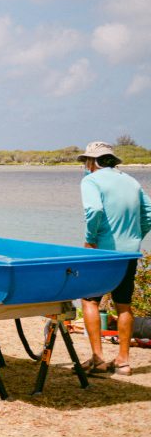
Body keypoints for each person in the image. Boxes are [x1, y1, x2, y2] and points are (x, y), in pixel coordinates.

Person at [77, 141, 151, 376]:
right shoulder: (131, 181)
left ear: (93, 161)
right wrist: (135, 237)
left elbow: (95, 210)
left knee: (90, 300)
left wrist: (91, 239)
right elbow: (148, 214)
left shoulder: (91, 180)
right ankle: (123, 361)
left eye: (87, 161)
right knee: (123, 304)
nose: (86, 166)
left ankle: (98, 359)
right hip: (129, 252)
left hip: (101, 252)